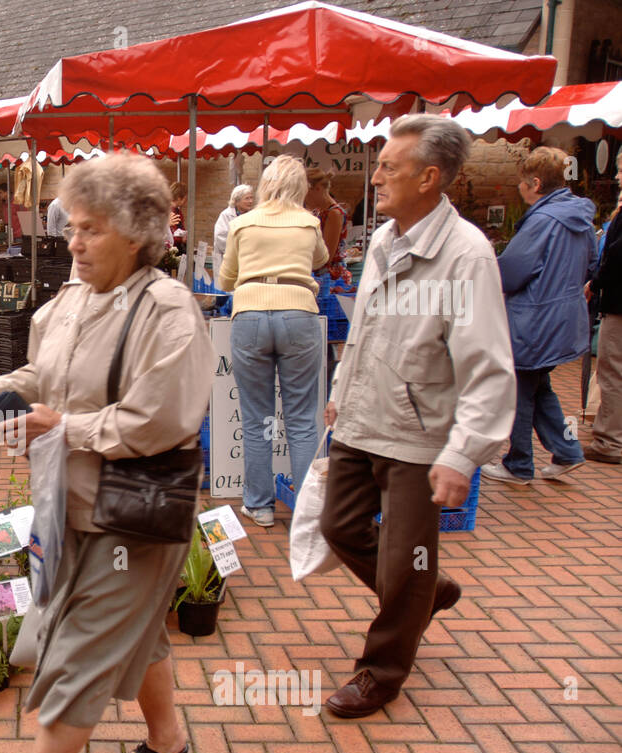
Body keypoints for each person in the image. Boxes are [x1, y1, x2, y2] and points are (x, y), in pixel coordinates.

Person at [0, 152, 215, 753]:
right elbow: (48, 371)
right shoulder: (72, 297)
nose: (74, 241)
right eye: (72, 228)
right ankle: (169, 738)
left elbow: (163, 418)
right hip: (72, 503)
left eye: (90, 229)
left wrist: (66, 426)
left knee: (84, 647)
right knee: (141, 628)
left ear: (137, 232)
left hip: (136, 515)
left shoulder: (167, 310)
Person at [320, 114, 516, 718]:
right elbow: (368, 329)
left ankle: (381, 670)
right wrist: (339, 389)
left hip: (419, 433)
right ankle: (426, 591)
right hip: (360, 419)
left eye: (387, 167)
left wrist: (464, 453)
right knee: (339, 528)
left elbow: (488, 364)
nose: (374, 175)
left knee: (406, 559)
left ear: (430, 177)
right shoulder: (384, 239)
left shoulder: (467, 256)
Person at [217, 156, 327, 527]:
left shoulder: (243, 223)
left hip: (249, 315)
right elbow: (322, 260)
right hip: (299, 314)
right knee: (301, 418)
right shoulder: (310, 223)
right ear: (300, 188)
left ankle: (260, 505)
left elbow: (225, 279)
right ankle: (308, 511)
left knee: (257, 417)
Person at [482, 147, 594, 484]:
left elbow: (513, 271)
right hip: (563, 318)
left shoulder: (543, 221)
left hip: (534, 320)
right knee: (538, 386)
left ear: (535, 182)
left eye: (521, 182)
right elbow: (592, 263)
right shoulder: (579, 217)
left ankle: (518, 464)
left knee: (518, 389)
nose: (519, 188)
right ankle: (568, 451)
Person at [585, 162, 622, 465]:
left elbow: (617, 256)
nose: (618, 176)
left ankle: (611, 441)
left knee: (613, 371)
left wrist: (595, 283)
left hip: (620, 305)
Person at [305, 167, 353, 287]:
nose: (304, 197)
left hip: (330, 278)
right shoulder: (318, 211)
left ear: (317, 189)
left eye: (305, 192)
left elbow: (327, 256)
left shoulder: (334, 213)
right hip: (319, 273)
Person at [212, 184, 255, 269]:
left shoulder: (253, 215)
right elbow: (220, 238)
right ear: (237, 201)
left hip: (248, 261)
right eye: (247, 198)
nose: (251, 201)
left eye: (251, 198)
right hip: (228, 261)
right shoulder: (226, 215)